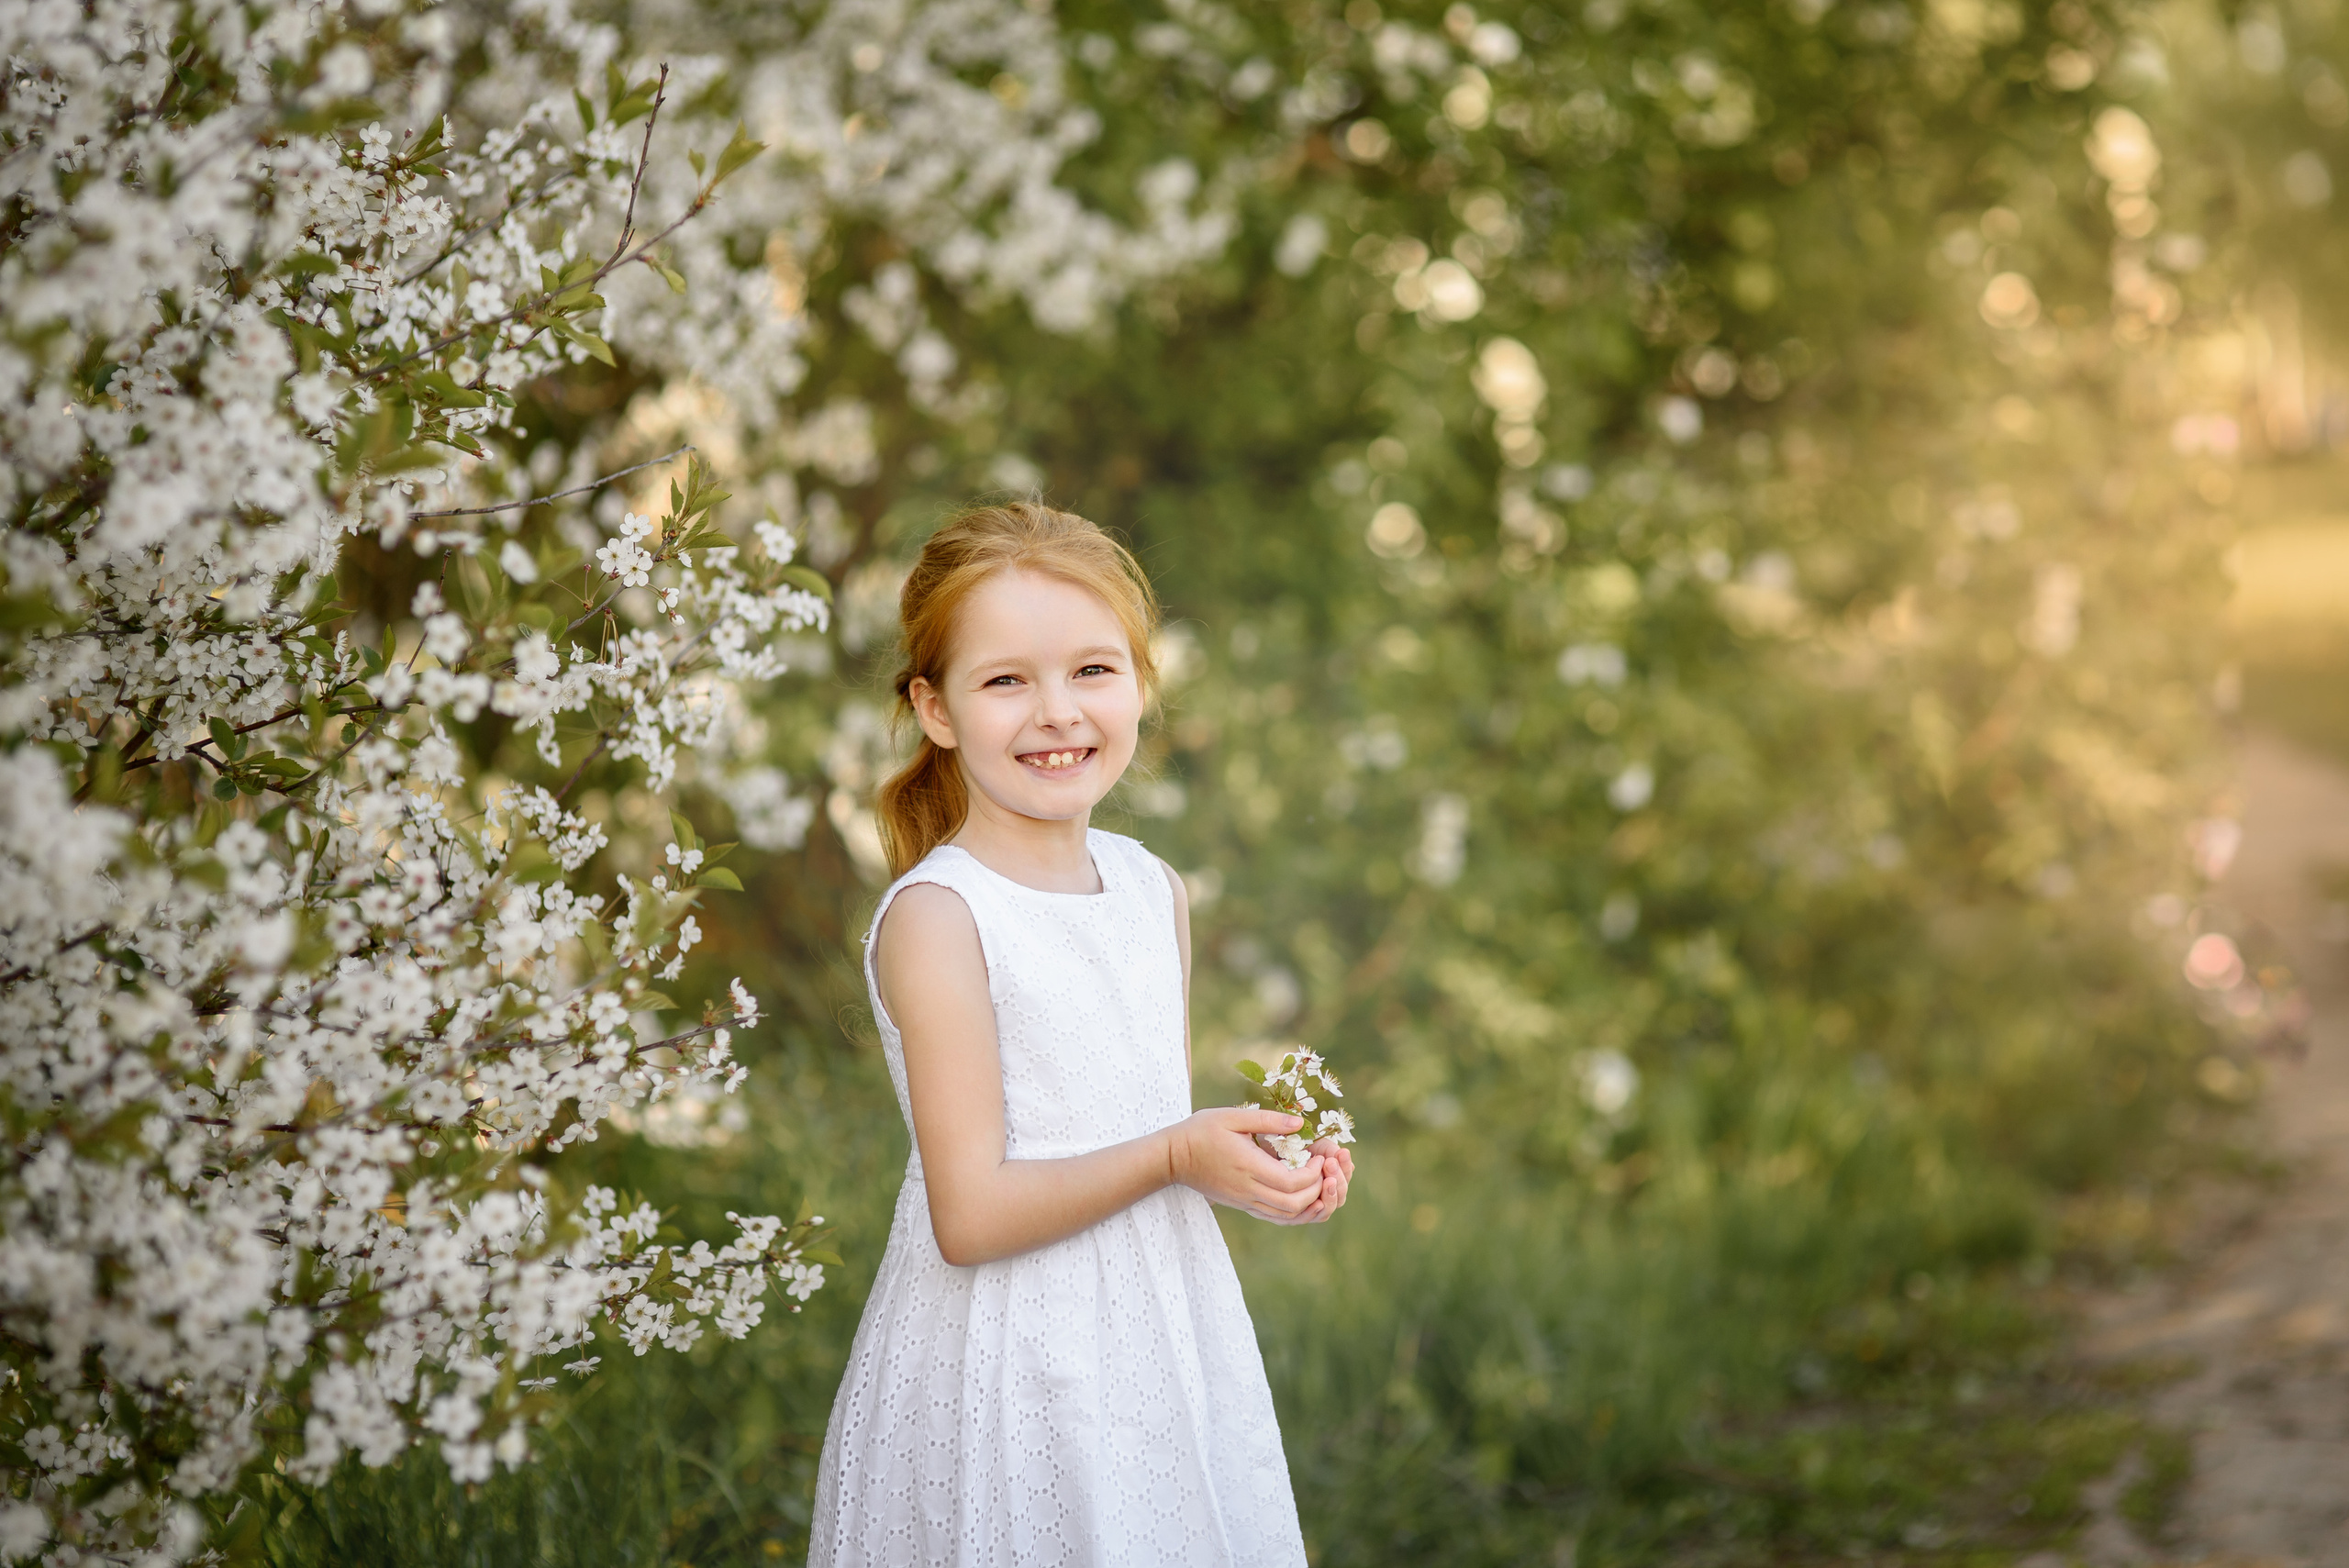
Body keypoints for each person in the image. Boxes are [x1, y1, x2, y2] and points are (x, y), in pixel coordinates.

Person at [809, 502, 1353, 1567]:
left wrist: (1251, 1165)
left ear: (1141, 685)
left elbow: (1137, 1123)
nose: (1056, 711)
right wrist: (1171, 1151)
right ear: (936, 708)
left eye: (1093, 670)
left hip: (1156, 1335)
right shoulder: (941, 915)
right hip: (1007, 1358)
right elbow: (968, 1214)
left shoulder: (1153, 888)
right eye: (1006, 679)